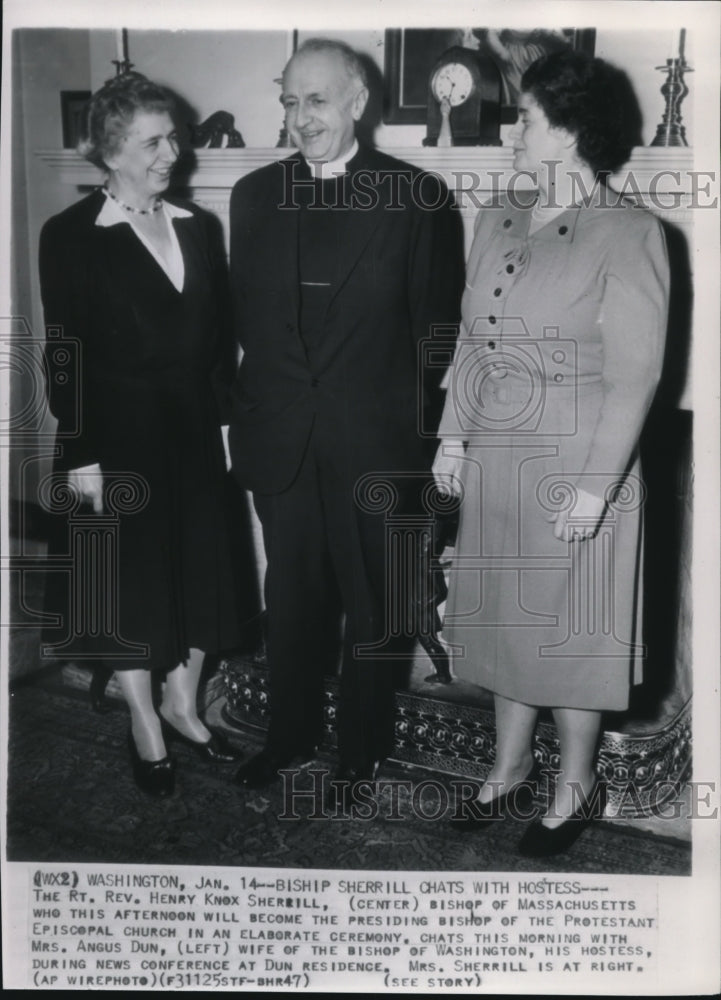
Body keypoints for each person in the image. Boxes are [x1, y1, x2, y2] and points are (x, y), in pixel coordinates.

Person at [433, 51, 669, 855]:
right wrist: (452, 435)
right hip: (497, 456)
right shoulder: (497, 213)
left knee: (569, 633)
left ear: (567, 133)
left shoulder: (632, 233)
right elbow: (471, 336)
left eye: (525, 117)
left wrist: (594, 490)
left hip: (575, 465)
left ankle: (574, 785)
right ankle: (503, 770)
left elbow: (636, 376)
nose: (512, 129)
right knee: (504, 622)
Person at [228, 38, 463, 802]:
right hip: (282, 439)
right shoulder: (254, 195)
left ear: (359, 102)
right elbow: (248, 324)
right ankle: (286, 737)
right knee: (290, 599)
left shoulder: (416, 198)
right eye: (289, 101)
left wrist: (421, 444)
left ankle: (358, 754)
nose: (299, 118)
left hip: (376, 443)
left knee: (371, 605)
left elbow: (436, 333)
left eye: (316, 100)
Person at [40, 72, 242, 798]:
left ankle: (181, 701)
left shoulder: (198, 226)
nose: (172, 152)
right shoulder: (70, 237)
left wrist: (224, 422)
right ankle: (142, 721)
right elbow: (64, 351)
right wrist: (82, 448)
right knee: (126, 584)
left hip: (192, 427)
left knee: (201, 570)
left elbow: (221, 342)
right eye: (153, 141)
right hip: (115, 435)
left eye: (173, 137)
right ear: (112, 151)